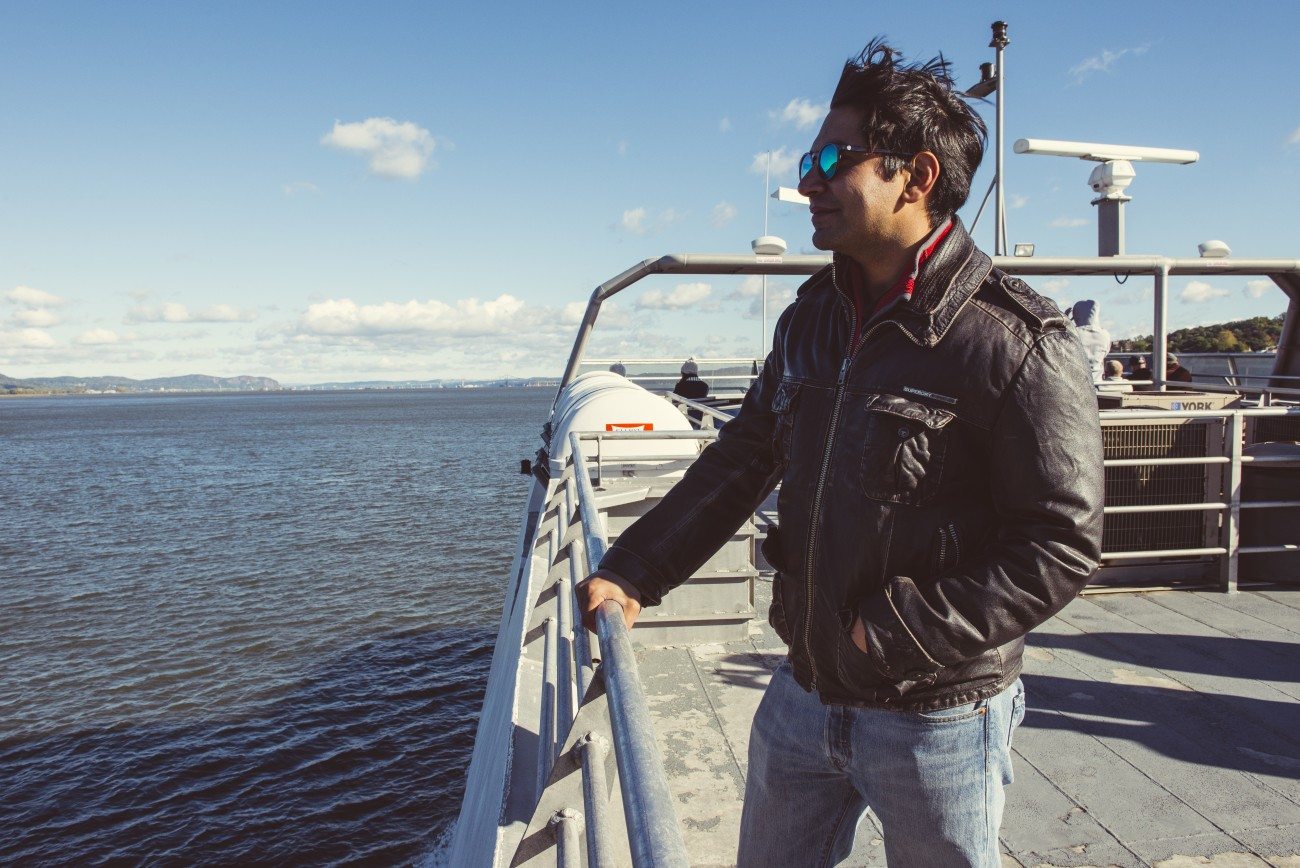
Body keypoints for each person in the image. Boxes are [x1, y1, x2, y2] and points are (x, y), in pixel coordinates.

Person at [578, 39, 1103, 867]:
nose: (808, 182)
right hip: (804, 691)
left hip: (938, 715)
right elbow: (742, 459)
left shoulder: (1014, 343)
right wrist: (636, 570)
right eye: (806, 160)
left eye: (833, 158)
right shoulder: (810, 321)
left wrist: (888, 632)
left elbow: (1061, 543)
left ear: (917, 176)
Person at [1065, 299, 1110, 381]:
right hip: (1097, 380)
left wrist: (1064, 321)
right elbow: (1105, 353)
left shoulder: (1073, 332)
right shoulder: (1105, 334)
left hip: (1077, 380)